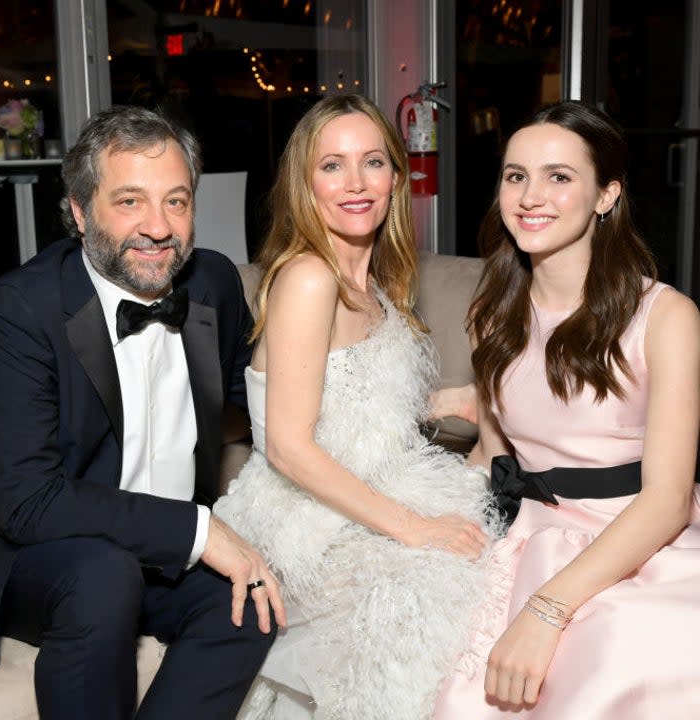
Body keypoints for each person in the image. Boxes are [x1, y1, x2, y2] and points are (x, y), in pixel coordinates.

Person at [0, 106, 285, 720]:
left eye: (176, 201)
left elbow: (261, 397)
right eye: (129, 202)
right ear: (79, 211)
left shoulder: (214, 284)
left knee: (255, 599)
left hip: (158, 556)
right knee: (104, 576)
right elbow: (27, 503)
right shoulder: (17, 309)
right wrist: (200, 532)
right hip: (43, 560)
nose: (157, 226)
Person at [212, 92, 501, 720]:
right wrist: (415, 528)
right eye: (332, 165)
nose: (355, 183)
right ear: (303, 183)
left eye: (372, 162)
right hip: (304, 518)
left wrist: (452, 399)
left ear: (396, 177)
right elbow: (290, 447)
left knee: (497, 561)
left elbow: (353, 400)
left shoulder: (374, 283)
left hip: (365, 488)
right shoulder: (308, 278)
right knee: (431, 596)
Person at [434, 100, 700, 718]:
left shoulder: (665, 317)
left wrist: (547, 611)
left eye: (559, 176)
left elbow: (667, 500)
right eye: (515, 175)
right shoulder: (491, 315)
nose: (531, 196)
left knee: (619, 656)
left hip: (637, 543)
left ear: (605, 195)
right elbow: (494, 459)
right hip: (526, 537)